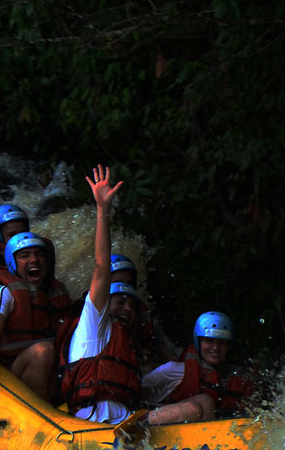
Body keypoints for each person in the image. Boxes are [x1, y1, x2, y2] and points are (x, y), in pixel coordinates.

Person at [59, 165, 213, 425]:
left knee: (204, 404)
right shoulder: (93, 325)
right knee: (195, 410)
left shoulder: (128, 341)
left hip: (128, 424)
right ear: (106, 304)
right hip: (94, 424)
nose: (128, 309)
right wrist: (102, 210)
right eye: (121, 302)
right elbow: (101, 268)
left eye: (132, 305)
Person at [0, 232, 70, 398]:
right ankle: (44, 411)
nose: (34, 260)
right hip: (10, 372)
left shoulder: (58, 293)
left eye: (39, 255)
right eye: (25, 256)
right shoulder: (4, 291)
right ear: (12, 263)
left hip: (51, 371)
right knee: (43, 351)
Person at [142, 311, 256, 418]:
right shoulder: (175, 371)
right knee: (205, 402)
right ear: (198, 342)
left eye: (221, 342)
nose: (215, 348)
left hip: (206, 435)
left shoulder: (235, 377)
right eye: (209, 341)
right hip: (165, 428)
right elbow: (136, 392)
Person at [108, 253, 177, 372]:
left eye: (129, 284)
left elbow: (163, 351)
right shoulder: (90, 315)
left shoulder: (138, 311)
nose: (124, 288)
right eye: (118, 282)